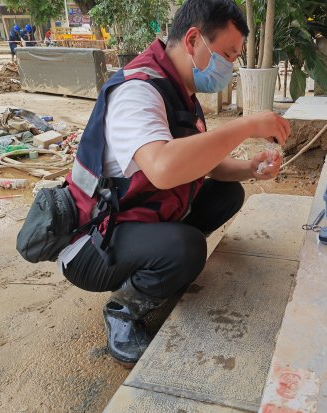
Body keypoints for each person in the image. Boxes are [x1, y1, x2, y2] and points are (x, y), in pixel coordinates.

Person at [60, 0, 290, 367]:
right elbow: (164, 169)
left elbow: (205, 163)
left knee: (227, 194)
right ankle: (124, 310)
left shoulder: (179, 89)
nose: (229, 67)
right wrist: (247, 125)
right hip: (92, 242)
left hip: (135, 219)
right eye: (227, 55)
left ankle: (162, 264)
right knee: (187, 248)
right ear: (194, 39)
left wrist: (250, 167)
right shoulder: (138, 91)